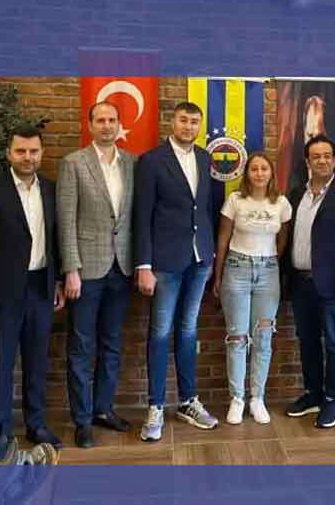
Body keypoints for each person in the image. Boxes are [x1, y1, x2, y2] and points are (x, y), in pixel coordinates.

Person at [0, 124, 65, 462]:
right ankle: (2, 432)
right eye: (21, 151)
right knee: (2, 362)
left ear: (41, 153)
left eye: (33, 151)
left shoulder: (51, 190)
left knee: (37, 361)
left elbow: (55, 240)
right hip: (2, 292)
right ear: (9, 153)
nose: (28, 157)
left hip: (41, 286)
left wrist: (57, 281)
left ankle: (36, 425)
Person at [134, 102, 219, 442]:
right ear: (173, 122)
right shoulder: (152, 161)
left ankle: (188, 401)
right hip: (164, 263)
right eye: (183, 120)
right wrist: (143, 264)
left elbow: (206, 209)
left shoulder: (204, 158)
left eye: (194, 121)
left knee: (188, 330)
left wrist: (210, 254)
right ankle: (155, 406)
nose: (188, 126)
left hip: (199, 260)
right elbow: (142, 215)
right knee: (160, 333)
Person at [57, 102, 136, 448]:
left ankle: (104, 408)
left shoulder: (132, 163)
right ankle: (82, 419)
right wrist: (71, 269)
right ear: (90, 125)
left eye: (112, 120)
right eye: (100, 120)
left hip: (122, 267)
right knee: (81, 346)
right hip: (86, 270)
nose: (106, 126)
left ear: (119, 125)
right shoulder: (73, 163)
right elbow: (65, 220)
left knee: (112, 343)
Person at [283, 134, 335, 429]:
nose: (321, 160)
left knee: (334, 343)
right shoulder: (296, 194)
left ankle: (332, 400)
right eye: (316, 156)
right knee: (307, 341)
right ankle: (313, 394)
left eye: (327, 155)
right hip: (300, 283)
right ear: (307, 161)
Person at [212, 153, 291, 425]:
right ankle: (237, 399)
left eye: (264, 168)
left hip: (268, 272)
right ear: (247, 173)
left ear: (271, 173)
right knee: (237, 337)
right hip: (237, 268)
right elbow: (223, 238)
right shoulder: (235, 200)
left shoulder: (281, 203)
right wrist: (218, 276)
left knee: (263, 337)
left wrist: (269, 261)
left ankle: (257, 398)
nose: (259, 173)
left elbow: (283, 240)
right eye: (254, 169)